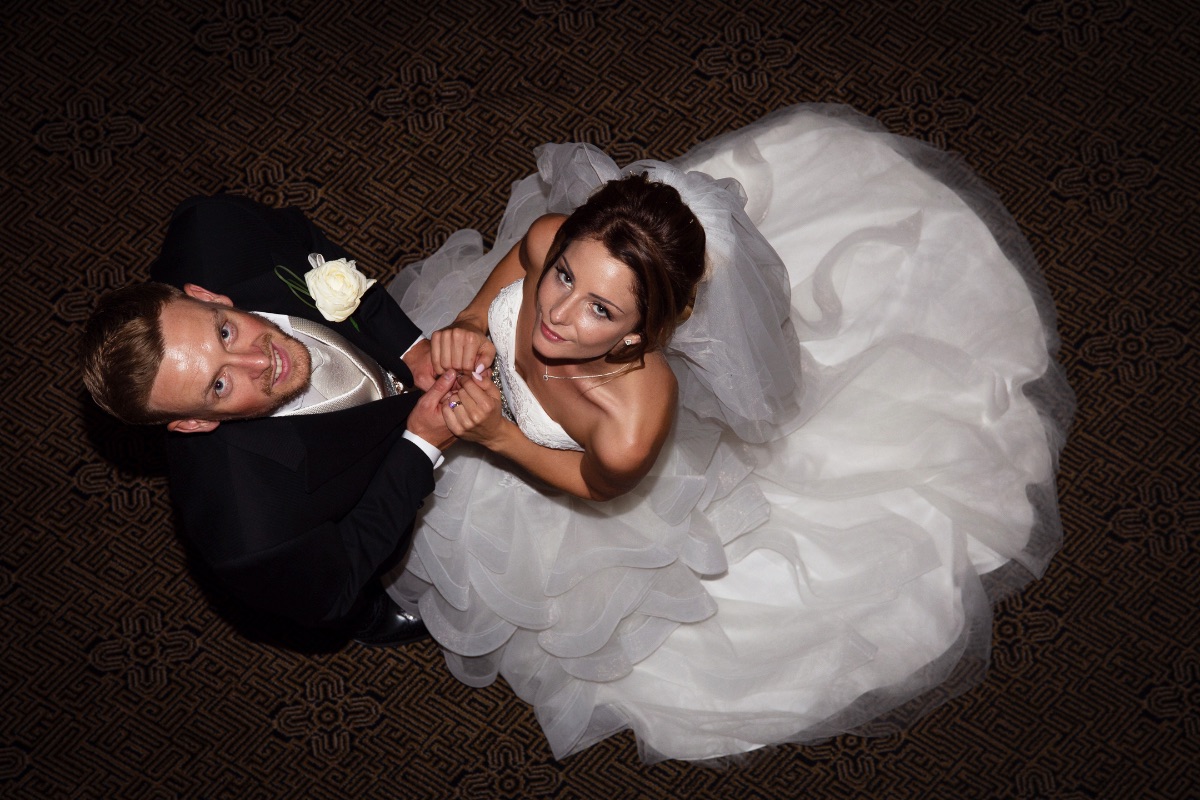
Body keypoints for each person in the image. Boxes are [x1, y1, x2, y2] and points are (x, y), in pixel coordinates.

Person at [385, 104, 1074, 762]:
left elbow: (594, 485)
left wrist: (500, 438)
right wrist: (473, 324)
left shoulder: (631, 420)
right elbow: (519, 265)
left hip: (544, 478)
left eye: (600, 309)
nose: (556, 315)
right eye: (565, 273)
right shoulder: (547, 241)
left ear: (645, 328)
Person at [82, 194, 457, 646]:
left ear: (205, 295)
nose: (260, 363)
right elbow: (332, 589)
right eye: (219, 385)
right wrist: (420, 445)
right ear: (195, 424)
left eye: (224, 331)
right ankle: (368, 617)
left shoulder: (217, 227)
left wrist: (409, 349)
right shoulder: (252, 534)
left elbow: (306, 240)